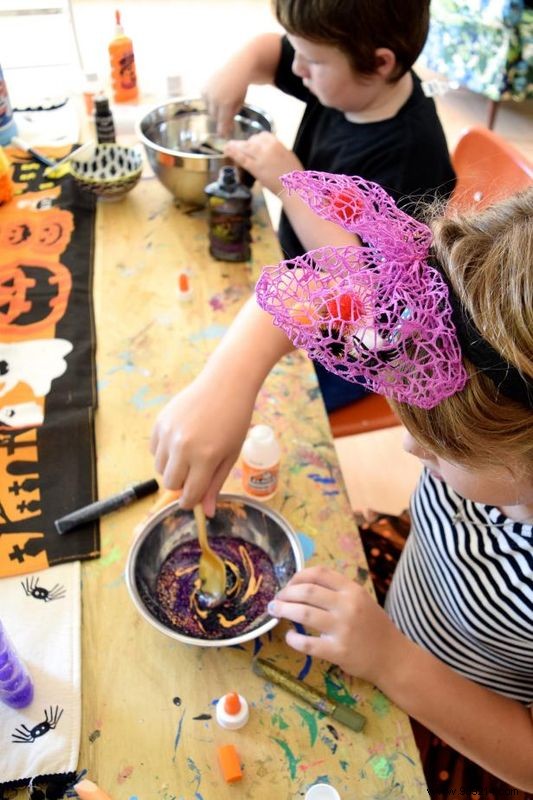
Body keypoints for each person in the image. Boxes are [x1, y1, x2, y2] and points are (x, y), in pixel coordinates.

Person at [255, 173, 533, 795]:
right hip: (408, 607)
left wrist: (389, 660)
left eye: (437, 448)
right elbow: (338, 285)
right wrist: (228, 380)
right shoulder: (499, 449)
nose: (407, 447)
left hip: (460, 725)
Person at [151, 0, 456, 505]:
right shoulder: (348, 85)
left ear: (380, 62)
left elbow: (360, 282)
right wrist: (242, 63)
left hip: (357, 341)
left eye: (311, 59)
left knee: (264, 412)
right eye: (297, 49)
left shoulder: (409, 156)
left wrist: (292, 183)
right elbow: (274, 53)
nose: (295, 68)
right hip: (297, 285)